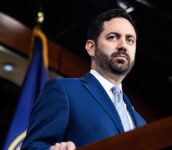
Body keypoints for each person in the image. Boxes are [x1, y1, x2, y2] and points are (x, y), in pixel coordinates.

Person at [21, 8, 147, 150]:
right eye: (113, 37)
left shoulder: (142, 123)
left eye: (130, 40)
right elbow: (32, 147)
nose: (123, 45)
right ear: (91, 47)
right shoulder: (65, 91)